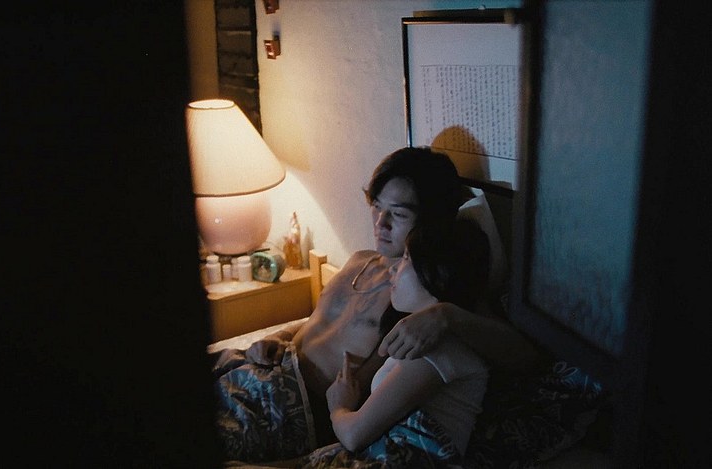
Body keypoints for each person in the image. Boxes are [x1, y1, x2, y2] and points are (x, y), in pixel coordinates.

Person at [211, 147, 540, 463]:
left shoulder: (429, 292)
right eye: (376, 206)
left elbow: (525, 357)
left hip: (295, 409)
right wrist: (280, 335)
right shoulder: (362, 259)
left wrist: (447, 317)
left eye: (398, 214)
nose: (380, 223)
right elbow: (322, 321)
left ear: (432, 221)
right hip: (263, 367)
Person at [319, 221, 490, 467]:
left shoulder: (435, 352)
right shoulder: (426, 341)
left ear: (437, 273)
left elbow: (354, 435)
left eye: (407, 259)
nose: (393, 268)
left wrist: (339, 407)